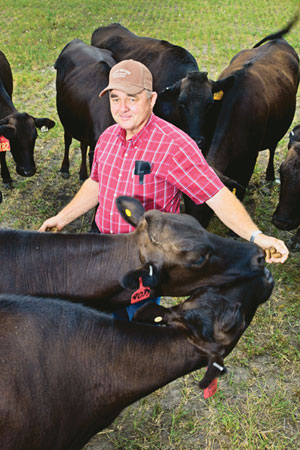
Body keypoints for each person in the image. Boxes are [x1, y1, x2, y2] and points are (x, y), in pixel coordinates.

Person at [39, 59, 288, 315]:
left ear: (152, 99)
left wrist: (257, 236)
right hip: (103, 251)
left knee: (137, 330)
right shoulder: (107, 138)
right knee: (101, 322)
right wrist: (62, 218)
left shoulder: (174, 145)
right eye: (115, 98)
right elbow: (97, 183)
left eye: (132, 99)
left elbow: (216, 195)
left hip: (144, 260)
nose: (122, 108)